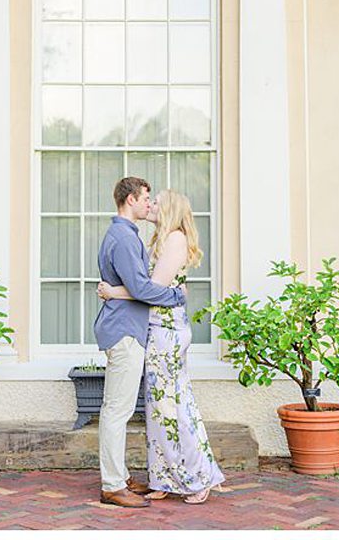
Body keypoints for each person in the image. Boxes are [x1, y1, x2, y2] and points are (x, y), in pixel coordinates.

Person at [99, 189, 225, 505]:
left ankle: (197, 478)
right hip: (155, 328)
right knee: (158, 409)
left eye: (156, 202)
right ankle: (166, 478)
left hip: (168, 330)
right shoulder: (160, 238)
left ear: (169, 209)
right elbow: (154, 286)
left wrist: (115, 292)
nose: (151, 204)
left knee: (175, 405)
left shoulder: (175, 239)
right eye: (148, 199)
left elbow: (150, 290)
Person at [91, 175, 192, 511]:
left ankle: (119, 477)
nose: (150, 205)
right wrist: (177, 295)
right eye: (146, 198)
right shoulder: (123, 238)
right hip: (124, 331)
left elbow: (132, 286)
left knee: (117, 409)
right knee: (117, 411)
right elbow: (141, 289)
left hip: (127, 329)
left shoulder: (127, 235)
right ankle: (113, 485)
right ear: (130, 200)